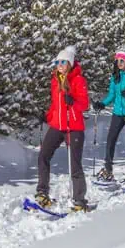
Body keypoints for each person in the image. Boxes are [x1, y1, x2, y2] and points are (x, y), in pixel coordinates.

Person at [36, 45, 90, 212]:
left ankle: (80, 200)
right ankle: (42, 192)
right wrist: (48, 116)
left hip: (74, 127)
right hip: (58, 125)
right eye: (57, 61)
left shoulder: (78, 80)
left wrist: (73, 101)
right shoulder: (55, 80)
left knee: (75, 164)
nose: (59, 64)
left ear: (70, 63)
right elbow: (55, 105)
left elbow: (85, 104)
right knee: (43, 155)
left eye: (63, 61)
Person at [93, 44, 125, 187]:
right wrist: (102, 104)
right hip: (118, 114)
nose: (119, 63)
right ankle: (108, 171)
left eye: (122, 61)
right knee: (110, 140)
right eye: (117, 60)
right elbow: (112, 95)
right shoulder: (116, 76)